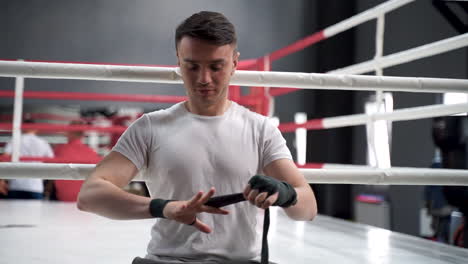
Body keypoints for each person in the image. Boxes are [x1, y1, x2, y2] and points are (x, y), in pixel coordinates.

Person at [77, 11, 317, 263]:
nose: (204, 79)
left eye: (216, 66)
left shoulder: (260, 129)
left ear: (234, 63)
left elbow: (308, 208)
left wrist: (286, 193)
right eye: (192, 66)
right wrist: (164, 207)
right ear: (179, 62)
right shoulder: (150, 127)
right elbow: (90, 195)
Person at [49, 120, 102, 202]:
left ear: (68, 132)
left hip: (63, 198)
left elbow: (48, 169)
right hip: (84, 198)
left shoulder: (60, 150)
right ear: (83, 134)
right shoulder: (92, 153)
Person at [0, 121, 54, 199]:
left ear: (23, 128)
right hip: (36, 186)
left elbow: (4, 158)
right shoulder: (43, 142)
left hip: (16, 185)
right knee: (35, 211)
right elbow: (52, 163)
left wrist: (1, 180)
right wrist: (49, 185)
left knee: (14, 211)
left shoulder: (15, 140)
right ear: (36, 129)